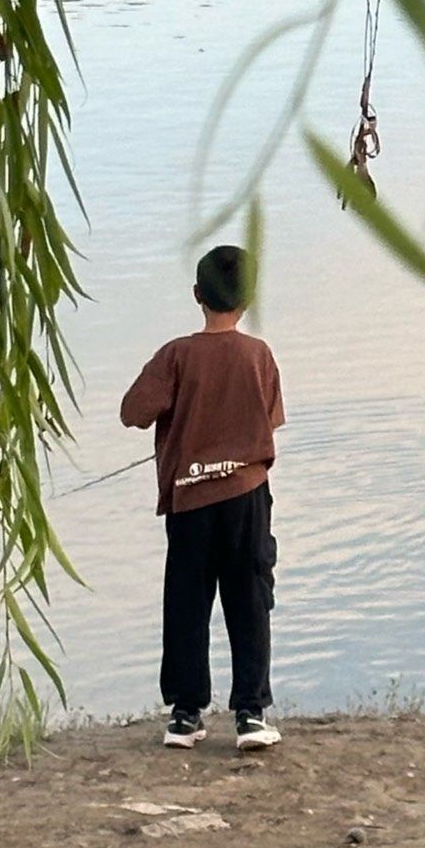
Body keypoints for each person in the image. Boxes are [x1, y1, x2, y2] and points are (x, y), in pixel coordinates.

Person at [120, 244, 285, 752]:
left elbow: (133, 411)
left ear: (197, 295)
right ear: (248, 298)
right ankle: (250, 713)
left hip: (190, 502)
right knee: (249, 598)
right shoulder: (258, 355)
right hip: (247, 496)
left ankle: (186, 714)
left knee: (188, 601)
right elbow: (271, 419)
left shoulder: (175, 354)